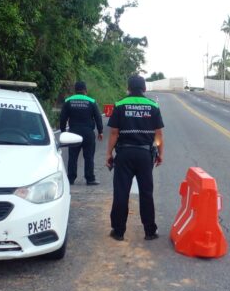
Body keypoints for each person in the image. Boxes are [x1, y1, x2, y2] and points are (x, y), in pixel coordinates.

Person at [105, 75, 164, 241]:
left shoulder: (120, 105)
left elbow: (114, 133)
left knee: (121, 192)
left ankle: (118, 231)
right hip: (145, 155)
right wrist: (160, 153)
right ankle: (150, 231)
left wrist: (109, 153)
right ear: (144, 88)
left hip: (124, 155)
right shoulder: (153, 106)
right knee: (146, 193)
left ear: (128, 88)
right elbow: (158, 134)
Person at [60, 81, 103, 185]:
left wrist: (63, 131)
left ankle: (70, 179)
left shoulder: (68, 101)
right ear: (85, 90)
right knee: (89, 156)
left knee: (73, 156)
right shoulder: (91, 101)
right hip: (88, 132)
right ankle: (90, 179)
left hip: (73, 133)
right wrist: (100, 131)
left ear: (75, 90)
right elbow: (98, 117)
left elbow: (62, 118)